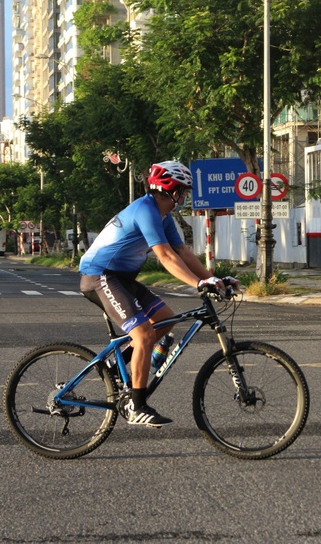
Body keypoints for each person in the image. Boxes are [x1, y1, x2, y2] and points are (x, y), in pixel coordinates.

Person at [79, 161, 238, 427]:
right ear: (171, 190)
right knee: (143, 334)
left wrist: (212, 279)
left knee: (166, 318)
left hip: (121, 278)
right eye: (184, 191)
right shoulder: (145, 210)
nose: (186, 196)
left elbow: (183, 252)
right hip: (99, 276)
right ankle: (136, 406)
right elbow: (164, 255)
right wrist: (197, 284)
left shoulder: (162, 216)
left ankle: (118, 367)